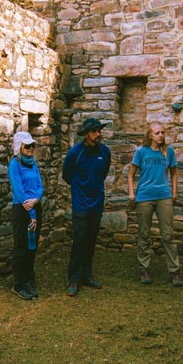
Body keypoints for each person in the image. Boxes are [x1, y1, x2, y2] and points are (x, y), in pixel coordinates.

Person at [62, 117, 111, 297]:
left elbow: (103, 173)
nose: (98, 134)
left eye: (99, 131)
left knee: (91, 240)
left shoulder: (105, 152)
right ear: (86, 134)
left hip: (96, 203)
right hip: (81, 204)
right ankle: (74, 278)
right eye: (94, 131)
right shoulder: (75, 152)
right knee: (80, 240)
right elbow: (67, 174)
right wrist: (79, 188)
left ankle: (86, 275)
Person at [128, 122, 182, 286]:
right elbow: (131, 175)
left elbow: (174, 173)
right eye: (157, 133)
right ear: (150, 135)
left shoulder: (168, 151)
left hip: (163, 196)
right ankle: (144, 269)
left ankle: (174, 271)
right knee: (144, 234)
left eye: (163, 133)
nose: (161, 135)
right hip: (144, 197)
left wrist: (174, 193)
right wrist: (132, 194)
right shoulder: (141, 152)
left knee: (167, 234)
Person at [8, 130, 43, 300]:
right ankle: (19, 283)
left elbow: (39, 185)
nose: (31, 148)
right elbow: (18, 189)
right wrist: (31, 211)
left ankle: (29, 280)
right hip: (22, 209)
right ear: (19, 147)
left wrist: (36, 200)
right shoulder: (15, 164)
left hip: (35, 206)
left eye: (32, 145)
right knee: (21, 246)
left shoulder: (33, 164)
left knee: (32, 245)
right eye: (27, 145)